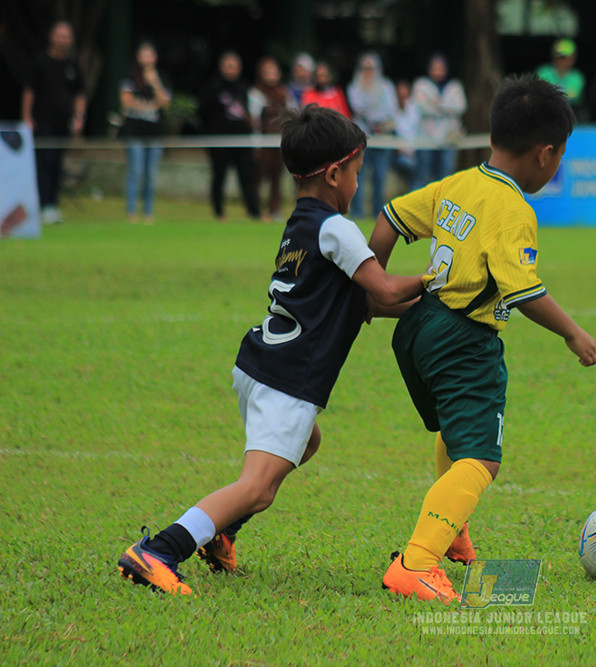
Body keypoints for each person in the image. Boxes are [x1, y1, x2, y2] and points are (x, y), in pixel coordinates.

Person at [116, 105, 426, 595]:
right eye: (357, 173)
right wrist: (439, 280)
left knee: (307, 443)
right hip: (288, 376)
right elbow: (384, 291)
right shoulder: (337, 228)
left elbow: (361, 304)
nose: (358, 185)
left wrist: (431, 308)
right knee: (257, 486)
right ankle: (159, 550)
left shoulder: (300, 226)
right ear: (334, 173)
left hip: (261, 365)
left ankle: (220, 531)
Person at [369, 75, 596, 602]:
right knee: (482, 458)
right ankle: (417, 561)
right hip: (464, 340)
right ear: (546, 154)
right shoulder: (515, 211)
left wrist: (374, 289)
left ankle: (453, 533)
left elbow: (388, 220)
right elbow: (524, 290)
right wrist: (573, 333)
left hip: (418, 328)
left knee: (456, 429)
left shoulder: (458, 184)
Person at [21, 19, 86, 225]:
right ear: (52, 36)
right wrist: (26, 117)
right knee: (44, 164)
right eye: (59, 35)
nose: (63, 39)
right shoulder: (40, 62)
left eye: (66, 36)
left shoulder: (73, 65)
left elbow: (80, 94)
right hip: (42, 123)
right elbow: (29, 91)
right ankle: (43, 205)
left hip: (63, 124)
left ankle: (53, 206)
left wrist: (78, 118)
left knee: (57, 165)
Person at [200, 51, 261, 221]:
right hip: (219, 141)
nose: (231, 70)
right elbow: (204, 114)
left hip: (242, 141)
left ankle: (254, 212)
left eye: (234, 66)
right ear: (222, 67)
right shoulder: (212, 88)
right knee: (219, 177)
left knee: (247, 178)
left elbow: (250, 114)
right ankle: (219, 212)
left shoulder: (244, 88)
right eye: (228, 66)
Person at [119, 41, 171, 223]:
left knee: (150, 175)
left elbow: (164, 104)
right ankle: (131, 213)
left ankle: (148, 213)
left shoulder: (161, 77)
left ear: (155, 58)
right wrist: (146, 105)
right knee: (135, 172)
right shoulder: (130, 76)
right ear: (138, 57)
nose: (146, 58)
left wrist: (155, 82)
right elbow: (126, 100)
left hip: (155, 134)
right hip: (134, 133)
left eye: (150, 55)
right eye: (143, 55)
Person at [347, 51, 398, 218]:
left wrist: (378, 121)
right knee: (358, 177)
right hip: (361, 139)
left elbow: (390, 109)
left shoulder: (386, 86)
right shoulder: (354, 87)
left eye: (371, 68)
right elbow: (358, 108)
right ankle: (358, 213)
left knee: (380, 177)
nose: (368, 72)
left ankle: (378, 213)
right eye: (365, 68)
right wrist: (373, 113)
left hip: (381, 139)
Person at [412, 54, 466, 188]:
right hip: (426, 139)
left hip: (448, 139)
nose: (438, 72)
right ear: (430, 69)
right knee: (423, 176)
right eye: (435, 68)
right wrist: (447, 107)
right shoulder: (421, 84)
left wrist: (437, 104)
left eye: (440, 68)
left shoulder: (455, 86)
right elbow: (422, 107)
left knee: (446, 178)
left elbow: (460, 107)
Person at [248, 56, 291, 221]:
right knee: (259, 177)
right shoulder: (256, 93)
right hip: (263, 143)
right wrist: (256, 145)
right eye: (267, 71)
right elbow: (255, 121)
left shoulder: (283, 94)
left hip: (279, 143)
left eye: (274, 71)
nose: (271, 75)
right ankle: (257, 210)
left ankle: (275, 209)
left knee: (276, 178)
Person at [535, 39, 585, 117]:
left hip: (569, 115)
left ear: (573, 59)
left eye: (566, 58)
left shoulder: (577, 76)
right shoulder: (543, 72)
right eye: (560, 57)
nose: (563, 61)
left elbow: (571, 97)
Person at [392, 79, 420, 190]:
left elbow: (416, 131)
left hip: (416, 150)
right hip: (398, 152)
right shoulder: (392, 109)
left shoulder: (416, 110)